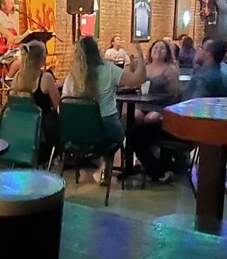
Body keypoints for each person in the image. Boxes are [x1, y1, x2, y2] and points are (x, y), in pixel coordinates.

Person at [62, 36, 147, 184]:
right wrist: (140, 54)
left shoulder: (71, 77)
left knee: (101, 132)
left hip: (77, 131)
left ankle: (100, 164)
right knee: (123, 125)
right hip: (106, 129)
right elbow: (137, 80)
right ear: (97, 51)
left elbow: (63, 105)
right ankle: (106, 163)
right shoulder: (108, 69)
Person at [9, 41, 61, 165]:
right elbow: (58, 106)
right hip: (41, 139)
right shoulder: (46, 78)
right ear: (42, 58)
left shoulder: (16, 78)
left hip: (19, 135)